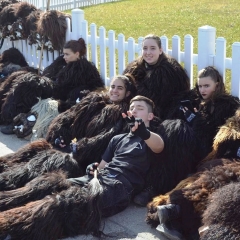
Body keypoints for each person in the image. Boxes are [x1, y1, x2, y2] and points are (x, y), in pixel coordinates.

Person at [0, 95, 164, 240]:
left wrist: (144, 132)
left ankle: (13, 229)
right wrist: (93, 168)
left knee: (66, 204)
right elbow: (102, 166)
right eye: (132, 108)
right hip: (98, 178)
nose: (134, 111)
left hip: (118, 187)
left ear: (150, 115)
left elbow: (159, 147)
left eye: (140, 108)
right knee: (47, 186)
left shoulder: (152, 138)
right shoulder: (118, 139)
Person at [133, 66, 240, 207]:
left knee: (177, 131)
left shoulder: (227, 105)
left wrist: (196, 120)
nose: (202, 90)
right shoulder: (193, 99)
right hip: (188, 142)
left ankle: (156, 187)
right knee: (172, 131)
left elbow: (217, 135)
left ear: (217, 84)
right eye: (200, 86)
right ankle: (154, 184)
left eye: (207, 86)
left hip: (205, 150)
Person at [0, 38, 104, 134]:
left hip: (57, 91)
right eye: (64, 54)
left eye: (67, 54)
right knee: (19, 77)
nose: (64, 57)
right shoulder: (61, 62)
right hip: (51, 84)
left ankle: (11, 119)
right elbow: (48, 73)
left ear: (77, 54)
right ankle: (4, 113)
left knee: (29, 83)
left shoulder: (82, 68)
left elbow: (93, 85)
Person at [123, 34, 197, 120]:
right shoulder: (134, 69)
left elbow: (166, 100)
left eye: (153, 48)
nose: (148, 52)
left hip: (159, 115)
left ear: (160, 50)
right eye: (145, 48)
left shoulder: (170, 72)